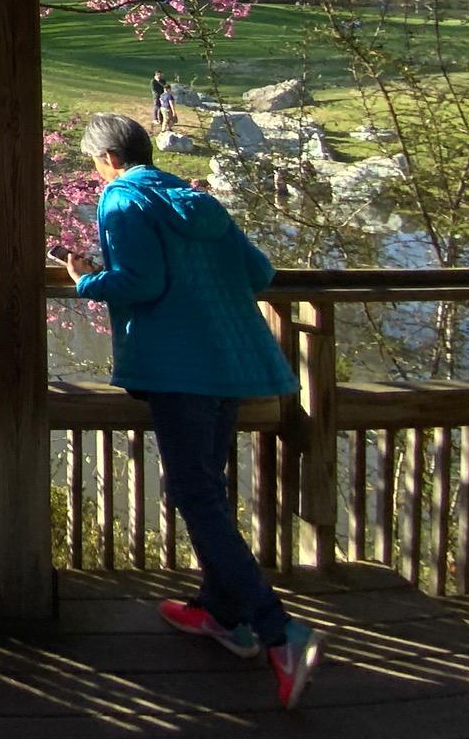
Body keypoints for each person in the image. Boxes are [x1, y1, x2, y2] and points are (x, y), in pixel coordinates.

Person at [64, 114, 325, 710]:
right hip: (230, 364)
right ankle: (221, 613)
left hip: (179, 370)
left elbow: (141, 281)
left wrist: (84, 279)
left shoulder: (123, 199)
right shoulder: (196, 200)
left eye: (93, 164)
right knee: (208, 487)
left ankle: (280, 631)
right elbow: (259, 273)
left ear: (105, 159)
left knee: (195, 492)